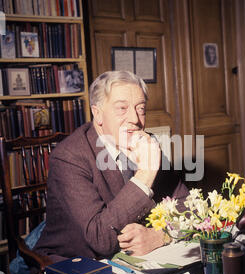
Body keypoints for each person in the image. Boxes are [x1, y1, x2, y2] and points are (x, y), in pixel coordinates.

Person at [33, 70, 189, 263]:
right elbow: (101, 238)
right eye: (122, 108)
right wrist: (145, 174)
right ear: (97, 113)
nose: (135, 119)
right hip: (75, 263)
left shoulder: (147, 143)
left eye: (140, 108)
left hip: (136, 262)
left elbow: (191, 208)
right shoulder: (69, 157)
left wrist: (159, 236)